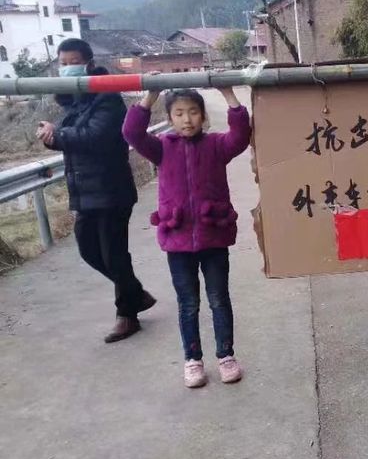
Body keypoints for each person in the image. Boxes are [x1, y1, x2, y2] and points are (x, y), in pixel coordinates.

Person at [123, 86, 251, 388]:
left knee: (219, 299)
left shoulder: (216, 146)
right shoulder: (161, 148)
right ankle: (193, 360)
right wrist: (150, 96)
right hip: (178, 241)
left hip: (214, 236)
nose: (187, 119)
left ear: (203, 116)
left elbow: (241, 136)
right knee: (188, 303)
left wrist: (228, 94)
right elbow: (132, 133)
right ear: (169, 118)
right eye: (179, 113)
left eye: (193, 112)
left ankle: (226, 356)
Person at [36, 38, 155, 342]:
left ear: (88, 64)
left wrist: (58, 134)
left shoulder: (107, 96)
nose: (67, 68)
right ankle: (135, 293)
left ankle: (127, 315)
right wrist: (51, 135)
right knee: (88, 250)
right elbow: (71, 138)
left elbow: (95, 136)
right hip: (84, 192)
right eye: (62, 64)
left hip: (112, 189)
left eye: (73, 62)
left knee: (114, 255)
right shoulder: (73, 101)